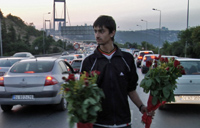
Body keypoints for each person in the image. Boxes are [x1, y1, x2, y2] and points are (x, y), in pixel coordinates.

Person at [80, 15, 154, 128]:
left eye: (101, 31)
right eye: (95, 31)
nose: (97, 35)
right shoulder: (89, 62)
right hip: (99, 123)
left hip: (123, 122)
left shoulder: (127, 59)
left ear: (112, 33)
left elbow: (131, 90)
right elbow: (84, 93)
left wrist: (141, 107)